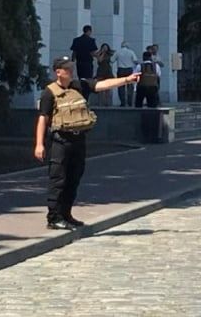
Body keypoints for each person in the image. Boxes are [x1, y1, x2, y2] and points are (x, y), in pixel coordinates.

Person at [34, 56, 139, 230]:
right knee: (58, 180)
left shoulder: (80, 86)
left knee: (74, 179)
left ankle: (66, 215)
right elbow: (43, 118)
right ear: (58, 72)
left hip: (78, 139)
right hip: (60, 140)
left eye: (71, 67)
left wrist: (127, 79)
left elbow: (102, 85)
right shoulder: (49, 92)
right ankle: (54, 218)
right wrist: (39, 144)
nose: (70, 71)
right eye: (66, 68)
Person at [114, 42, 138, 107]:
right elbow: (135, 61)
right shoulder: (131, 52)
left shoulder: (118, 52)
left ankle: (123, 102)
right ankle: (130, 102)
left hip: (120, 70)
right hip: (129, 70)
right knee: (130, 87)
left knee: (121, 87)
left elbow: (112, 60)